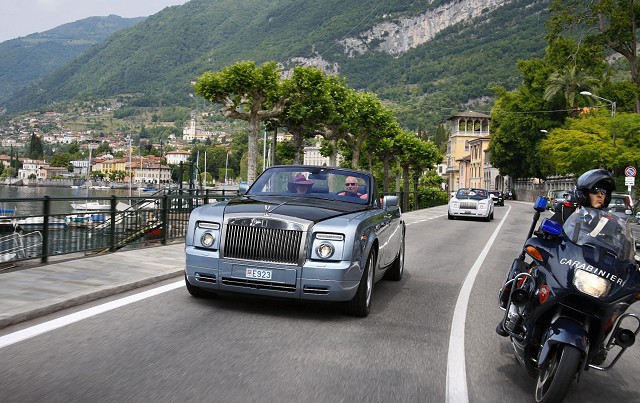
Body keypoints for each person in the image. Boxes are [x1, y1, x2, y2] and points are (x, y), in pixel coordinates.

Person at [496, 168, 616, 337]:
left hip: (589, 269)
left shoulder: (609, 221)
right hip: (561, 258)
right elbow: (548, 228)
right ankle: (513, 315)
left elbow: (618, 246)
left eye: (604, 192)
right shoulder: (567, 210)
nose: (600, 195)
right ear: (584, 193)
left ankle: (600, 340)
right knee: (532, 271)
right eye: (595, 191)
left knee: (612, 303)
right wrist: (546, 232)